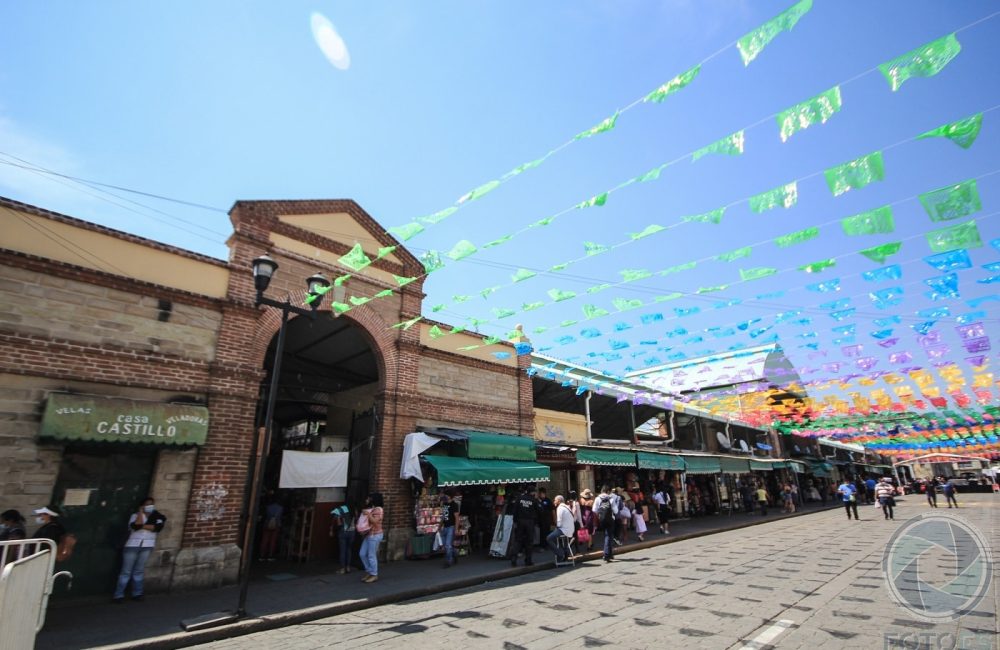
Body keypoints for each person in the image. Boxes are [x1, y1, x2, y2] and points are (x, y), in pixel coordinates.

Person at [113, 497, 167, 603]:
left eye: (151, 504)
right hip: (132, 544)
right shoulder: (135, 515)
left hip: (147, 545)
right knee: (126, 571)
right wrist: (140, 514)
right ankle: (118, 595)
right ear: (142, 506)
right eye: (147, 504)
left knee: (139, 570)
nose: (149, 506)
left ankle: (137, 593)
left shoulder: (158, 516)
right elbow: (136, 526)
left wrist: (142, 526)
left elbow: (157, 528)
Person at [508, 485, 539, 567]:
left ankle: (514, 558)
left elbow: (514, 510)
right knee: (529, 541)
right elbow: (539, 510)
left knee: (518, 540)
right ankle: (528, 560)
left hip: (520, 521)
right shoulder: (533, 500)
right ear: (532, 492)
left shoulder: (519, 498)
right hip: (530, 522)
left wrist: (515, 521)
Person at [358, 493, 384, 583]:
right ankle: (370, 571)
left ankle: (374, 574)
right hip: (369, 534)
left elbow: (375, 522)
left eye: (369, 498)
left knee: (371, 555)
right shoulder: (372, 509)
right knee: (362, 553)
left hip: (375, 535)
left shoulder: (379, 509)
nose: (368, 499)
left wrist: (368, 515)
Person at [592, 485, 620, 562]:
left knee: (607, 536)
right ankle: (607, 555)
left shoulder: (597, 498)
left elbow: (594, 510)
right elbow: (616, 511)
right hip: (610, 520)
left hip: (601, 520)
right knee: (608, 536)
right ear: (608, 491)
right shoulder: (611, 499)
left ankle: (610, 554)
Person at [546, 495, 574, 563]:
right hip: (570, 529)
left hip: (564, 530)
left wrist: (556, 527)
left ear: (558, 500)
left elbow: (559, 523)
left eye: (555, 500)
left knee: (549, 538)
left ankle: (560, 554)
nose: (554, 501)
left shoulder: (560, 508)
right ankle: (565, 554)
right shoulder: (567, 507)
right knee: (560, 539)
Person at [330, 504, 356, 574]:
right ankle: (348, 567)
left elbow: (338, 524)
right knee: (349, 549)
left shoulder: (339, 511)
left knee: (343, 550)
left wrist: (331, 529)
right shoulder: (354, 511)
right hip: (352, 532)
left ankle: (342, 569)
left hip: (343, 532)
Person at [258, 494, 283, 562]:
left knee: (265, 540)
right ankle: (270, 555)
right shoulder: (280, 508)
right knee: (273, 540)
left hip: (267, 524)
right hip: (276, 525)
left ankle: (262, 555)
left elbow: (264, 515)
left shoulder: (268, 507)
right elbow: (280, 516)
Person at [440, 494, 458, 568]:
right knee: (446, 545)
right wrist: (439, 526)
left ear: (450, 496)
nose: (445, 496)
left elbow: (457, 518)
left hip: (451, 527)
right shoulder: (444, 504)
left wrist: (456, 529)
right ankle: (455, 553)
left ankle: (448, 561)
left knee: (447, 545)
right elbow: (443, 516)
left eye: (447, 495)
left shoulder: (454, 505)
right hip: (445, 527)